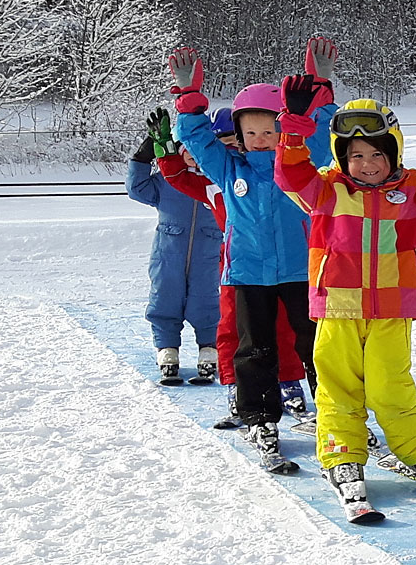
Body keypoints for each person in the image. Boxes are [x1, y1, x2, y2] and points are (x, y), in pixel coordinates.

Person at [271, 73, 416, 523]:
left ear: (394, 152)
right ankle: (342, 456)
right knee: (339, 387)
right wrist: (294, 126)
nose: (367, 164)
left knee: (393, 387)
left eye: (376, 154)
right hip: (337, 307)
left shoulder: (414, 191)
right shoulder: (325, 191)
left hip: (393, 308)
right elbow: (289, 172)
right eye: (356, 156)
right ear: (340, 158)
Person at [169, 39, 338, 473]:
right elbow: (195, 138)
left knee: (317, 346)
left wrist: (320, 85)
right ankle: (260, 418)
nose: (261, 140)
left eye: (270, 131)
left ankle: (335, 414)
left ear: (283, 131)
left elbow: (320, 130)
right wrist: (189, 100)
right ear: (240, 136)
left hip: (302, 272)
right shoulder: (230, 169)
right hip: (247, 274)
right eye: (251, 133)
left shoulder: (301, 162)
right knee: (254, 349)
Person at [158, 112, 314, 430]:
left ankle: (290, 383)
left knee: (287, 328)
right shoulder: (216, 183)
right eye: (225, 143)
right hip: (239, 269)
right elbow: (181, 177)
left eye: (233, 143)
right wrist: (167, 156)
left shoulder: (270, 173)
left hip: (286, 267)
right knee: (234, 332)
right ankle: (238, 389)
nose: (232, 149)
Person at [125, 107, 221, 386]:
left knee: (206, 302)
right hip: (168, 255)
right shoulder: (169, 182)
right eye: (185, 148)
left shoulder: (216, 183)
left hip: (208, 255)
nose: (192, 154)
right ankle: (168, 350)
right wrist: (142, 157)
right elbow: (137, 188)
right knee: (165, 298)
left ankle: (209, 349)